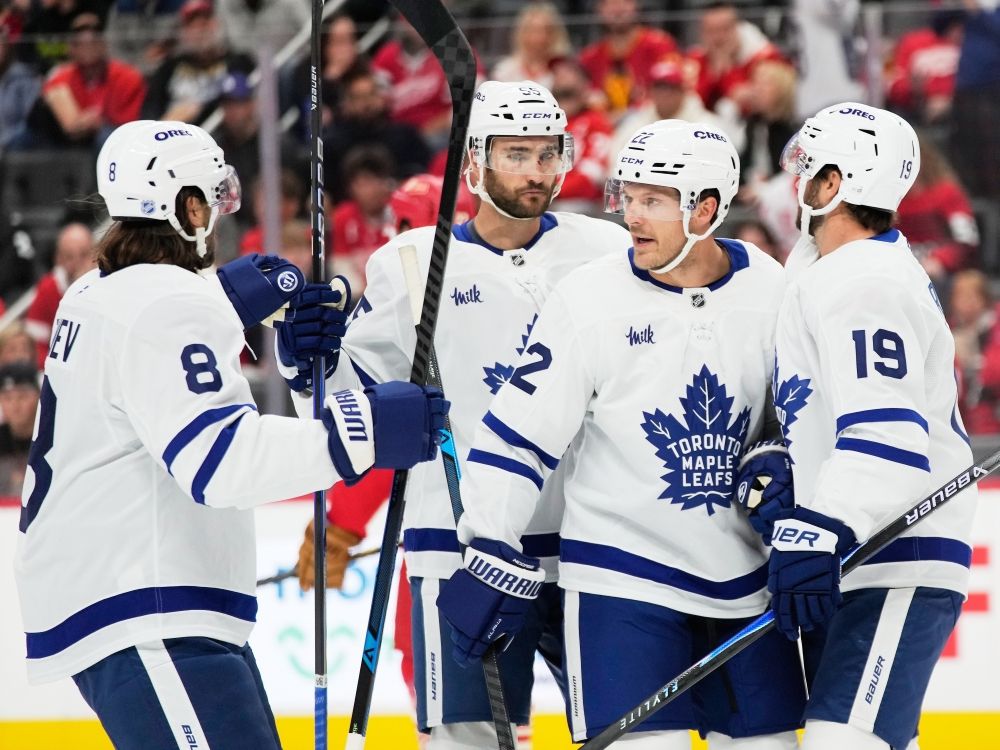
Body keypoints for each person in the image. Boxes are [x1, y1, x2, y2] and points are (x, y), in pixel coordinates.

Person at [13, 118, 449, 749]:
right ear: (187, 206)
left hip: (135, 597)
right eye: (214, 196)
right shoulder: (168, 305)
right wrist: (367, 431)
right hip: (146, 604)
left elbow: (149, 358)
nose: (220, 212)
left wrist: (221, 300)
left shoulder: (97, 289)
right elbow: (219, 463)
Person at [280, 80, 632, 749]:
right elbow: (355, 403)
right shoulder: (408, 266)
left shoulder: (604, 251)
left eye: (547, 154)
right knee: (466, 739)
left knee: (629, 736)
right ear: (474, 162)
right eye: (515, 153)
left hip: (594, 545)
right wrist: (310, 362)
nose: (535, 170)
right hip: (462, 551)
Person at [439, 119, 804, 749]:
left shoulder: (771, 288)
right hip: (622, 584)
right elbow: (519, 436)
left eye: (654, 201)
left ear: (707, 208)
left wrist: (783, 462)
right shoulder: (589, 297)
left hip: (748, 584)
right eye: (628, 196)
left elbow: (797, 417)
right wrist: (487, 540)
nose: (633, 216)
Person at [771, 102, 976, 750]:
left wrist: (820, 527)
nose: (793, 179)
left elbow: (886, 437)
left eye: (806, 166)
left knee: (843, 741)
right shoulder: (823, 271)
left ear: (835, 184)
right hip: (854, 554)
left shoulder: (865, 279)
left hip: (892, 553)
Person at [36, 12, 146, 148]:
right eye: (80, 41)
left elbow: (129, 126)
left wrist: (98, 123)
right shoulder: (61, 77)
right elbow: (70, 125)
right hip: (70, 137)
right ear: (71, 47)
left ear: (104, 44)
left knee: (106, 137)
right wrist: (84, 122)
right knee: (25, 138)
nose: (87, 44)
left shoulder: (128, 76)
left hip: (114, 134)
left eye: (94, 38)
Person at [578, 0, 678, 121]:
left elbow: (673, 91)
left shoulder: (660, 45)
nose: (617, 9)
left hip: (652, 122)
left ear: (636, 5)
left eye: (625, 1)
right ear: (598, 9)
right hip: (603, 128)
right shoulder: (590, 56)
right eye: (608, 3)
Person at [24, 222, 96, 368]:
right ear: (58, 258)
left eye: (84, 254)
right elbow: (35, 345)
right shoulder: (48, 288)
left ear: (96, 254)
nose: (77, 262)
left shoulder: (108, 286)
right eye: (69, 256)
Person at [490, 2, 572, 91]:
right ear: (521, 34)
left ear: (556, 35)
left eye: (546, 31)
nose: (538, 38)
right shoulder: (505, 71)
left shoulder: (566, 71)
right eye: (531, 31)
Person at [0, 360, 38, 496]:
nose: (15, 406)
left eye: (22, 397)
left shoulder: (52, 439)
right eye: (8, 398)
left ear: (38, 396)